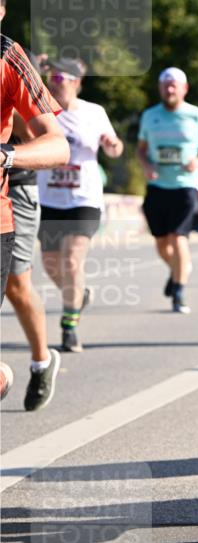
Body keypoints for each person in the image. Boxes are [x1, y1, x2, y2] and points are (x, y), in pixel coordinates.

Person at [37, 58, 124, 353]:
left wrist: (113, 146)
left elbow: (114, 147)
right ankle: (78, 294)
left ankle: (69, 326)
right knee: (51, 265)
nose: (53, 83)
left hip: (83, 199)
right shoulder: (42, 109)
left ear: (76, 82)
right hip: (49, 198)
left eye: (59, 78)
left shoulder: (93, 112)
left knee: (72, 261)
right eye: (50, 77)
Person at [0, 32, 69, 402]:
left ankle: (42, 361)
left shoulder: (13, 59)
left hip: (18, 183)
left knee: (16, 282)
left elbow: (45, 137)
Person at [137, 67, 198, 312]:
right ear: (160, 89)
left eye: (174, 85)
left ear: (184, 89)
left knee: (178, 237)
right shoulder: (149, 115)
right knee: (161, 243)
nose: (170, 89)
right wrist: (146, 164)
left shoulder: (196, 115)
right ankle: (178, 271)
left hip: (186, 185)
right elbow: (140, 149)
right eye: (165, 85)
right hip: (157, 185)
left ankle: (179, 292)